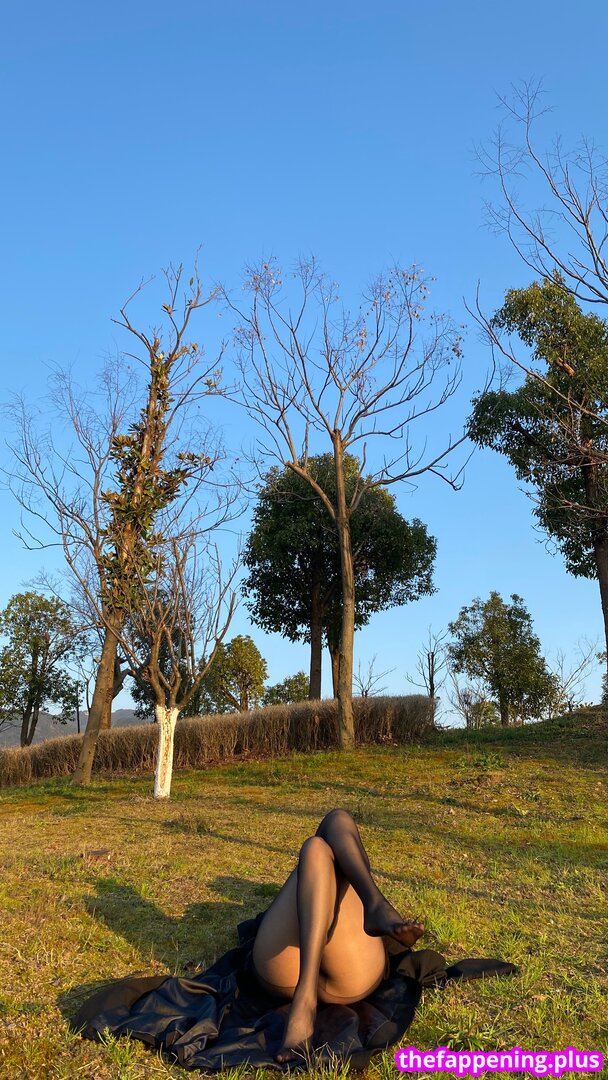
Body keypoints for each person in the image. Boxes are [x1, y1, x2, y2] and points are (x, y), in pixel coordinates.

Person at [251, 808, 425, 1063]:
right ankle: (375, 905)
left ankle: (304, 1003)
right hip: (349, 974)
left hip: (286, 967)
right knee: (329, 831)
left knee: (318, 845)